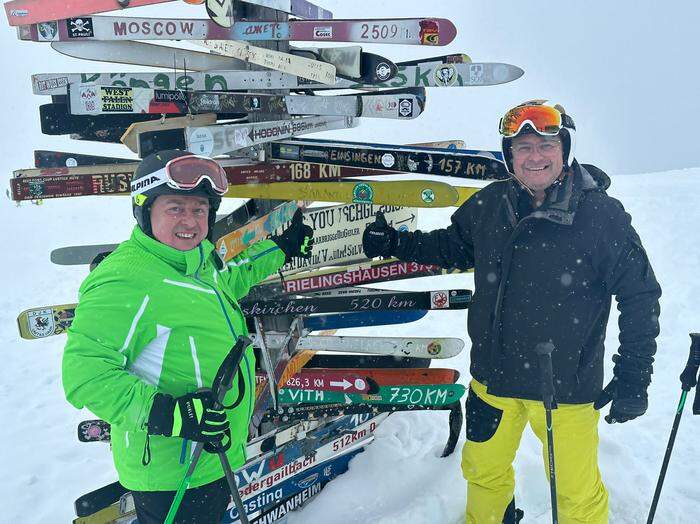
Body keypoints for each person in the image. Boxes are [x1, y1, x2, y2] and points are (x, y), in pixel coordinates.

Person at [362, 100, 661, 523]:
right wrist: (397, 244)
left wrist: (634, 376)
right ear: (509, 156)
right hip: (493, 378)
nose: (535, 156)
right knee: (483, 473)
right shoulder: (491, 203)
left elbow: (640, 295)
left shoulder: (600, 215)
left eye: (546, 145)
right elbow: (455, 246)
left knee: (576, 495)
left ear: (564, 151)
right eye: (523, 147)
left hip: (566, 388)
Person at [62, 150, 314, 524]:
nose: (190, 221)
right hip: (172, 471)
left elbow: (224, 284)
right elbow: (85, 375)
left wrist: (279, 250)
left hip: (212, 456)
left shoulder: (194, 260)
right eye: (175, 208)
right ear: (145, 211)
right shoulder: (126, 279)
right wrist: (169, 414)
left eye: (199, 210)